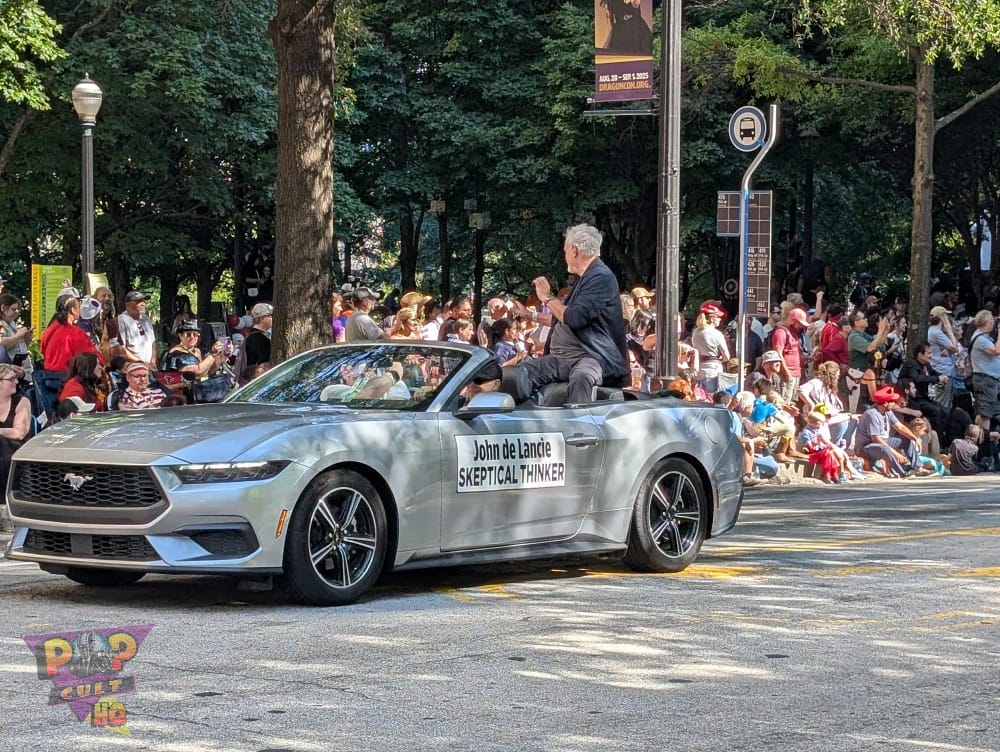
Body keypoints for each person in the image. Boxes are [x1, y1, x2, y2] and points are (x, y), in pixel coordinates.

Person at [511, 223, 628, 404]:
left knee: (583, 378)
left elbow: (574, 318)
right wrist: (528, 315)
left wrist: (547, 298)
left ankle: (579, 428)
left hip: (589, 357)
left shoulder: (601, 277)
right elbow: (561, 318)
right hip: (561, 358)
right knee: (518, 374)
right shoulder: (588, 277)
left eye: (565, 250)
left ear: (573, 250)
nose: (564, 255)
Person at [854, 385, 928, 477]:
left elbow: (899, 427)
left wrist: (915, 438)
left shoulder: (888, 412)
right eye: (892, 402)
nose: (894, 404)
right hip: (865, 447)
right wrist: (895, 453)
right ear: (885, 403)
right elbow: (876, 439)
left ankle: (918, 467)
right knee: (885, 449)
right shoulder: (872, 414)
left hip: (883, 442)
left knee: (905, 439)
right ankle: (901, 472)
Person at [39, 292, 103, 373]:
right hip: (67, 378)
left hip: (47, 377)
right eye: (78, 306)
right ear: (73, 310)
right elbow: (90, 357)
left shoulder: (50, 329)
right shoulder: (76, 333)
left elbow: (42, 351)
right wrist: (100, 355)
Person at [0, 362, 31, 491]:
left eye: (16, 378)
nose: (17, 382)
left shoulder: (22, 402)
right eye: (11, 379)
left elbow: (20, 433)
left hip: (16, 451)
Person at [968, 308, 1000, 431]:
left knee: (988, 412)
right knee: (984, 415)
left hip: (991, 380)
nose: (994, 322)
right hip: (985, 380)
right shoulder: (980, 339)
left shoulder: (985, 337)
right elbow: (996, 351)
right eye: (992, 319)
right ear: (986, 322)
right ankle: (983, 440)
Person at [692, 302, 729, 393]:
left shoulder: (695, 332)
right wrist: (720, 359)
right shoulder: (717, 334)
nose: (720, 319)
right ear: (712, 318)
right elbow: (727, 357)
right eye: (718, 317)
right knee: (711, 397)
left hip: (698, 369)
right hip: (713, 371)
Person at [117, 291, 158, 368]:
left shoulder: (146, 319)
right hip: (133, 367)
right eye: (138, 301)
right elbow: (121, 348)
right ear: (127, 304)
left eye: (143, 301)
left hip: (149, 366)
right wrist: (141, 363)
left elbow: (153, 343)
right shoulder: (122, 320)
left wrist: (153, 361)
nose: (143, 304)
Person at [0, 293, 34, 383]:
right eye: (13, 309)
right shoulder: (1, 324)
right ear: (3, 308)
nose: (16, 312)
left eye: (18, 309)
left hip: (21, 373)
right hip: (8, 376)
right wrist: (18, 336)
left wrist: (26, 339)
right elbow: (1, 345)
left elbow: (16, 347)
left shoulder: (12, 324)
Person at [242, 302, 274, 368]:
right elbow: (263, 364)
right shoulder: (260, 339)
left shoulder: (251, 334)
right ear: (262, 318)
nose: (272, 319)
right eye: (270, 316)